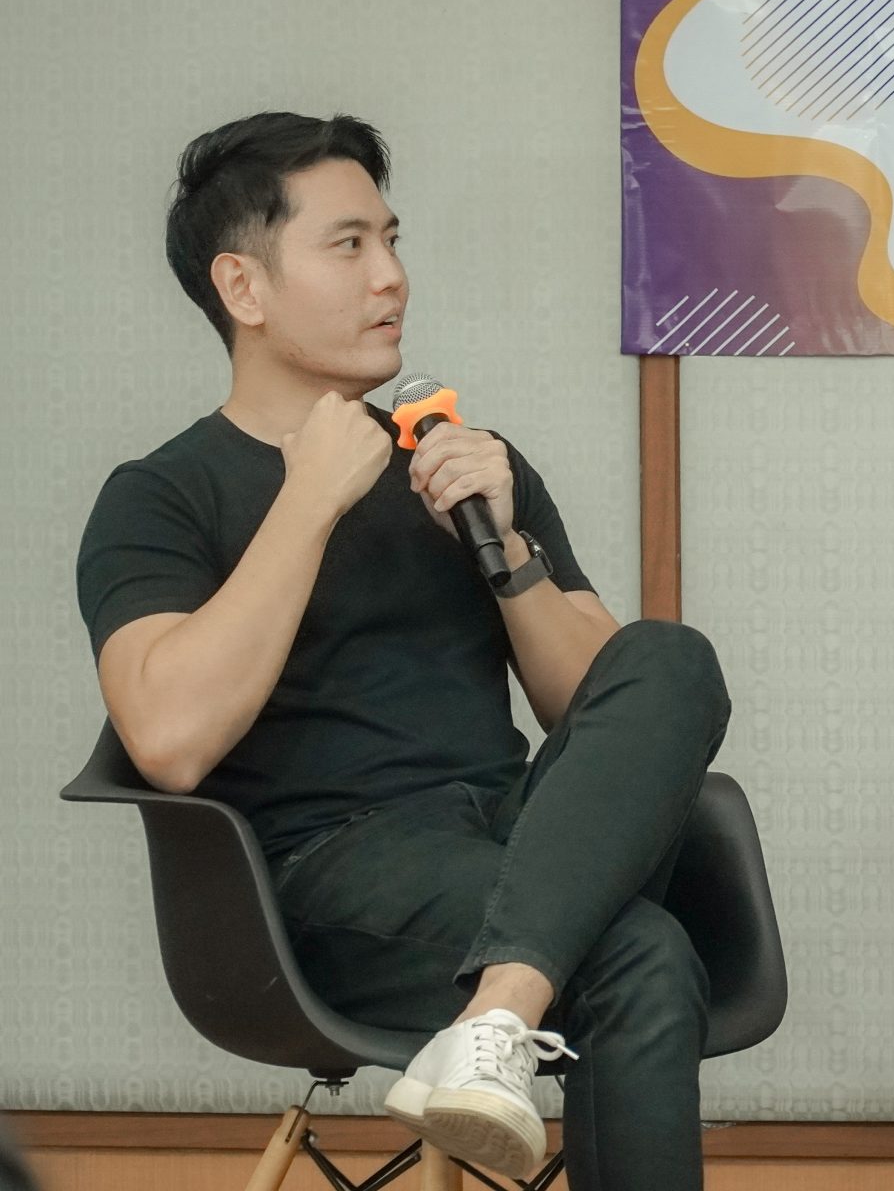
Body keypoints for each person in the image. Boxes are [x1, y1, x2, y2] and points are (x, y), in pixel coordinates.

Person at [74, 114, 732, 1187]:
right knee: (641, 950)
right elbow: (170, 741)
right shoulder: (160, 496)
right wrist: (308, 502)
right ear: (243, 287)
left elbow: (604, 709)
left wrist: (505, 552)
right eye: (348, 245)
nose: (392, 277)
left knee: (671, 656)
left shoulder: (462, 462)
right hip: (325, 883)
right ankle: (502, 1014)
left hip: (519, 837)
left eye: (391, 239)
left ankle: (495, 1018)